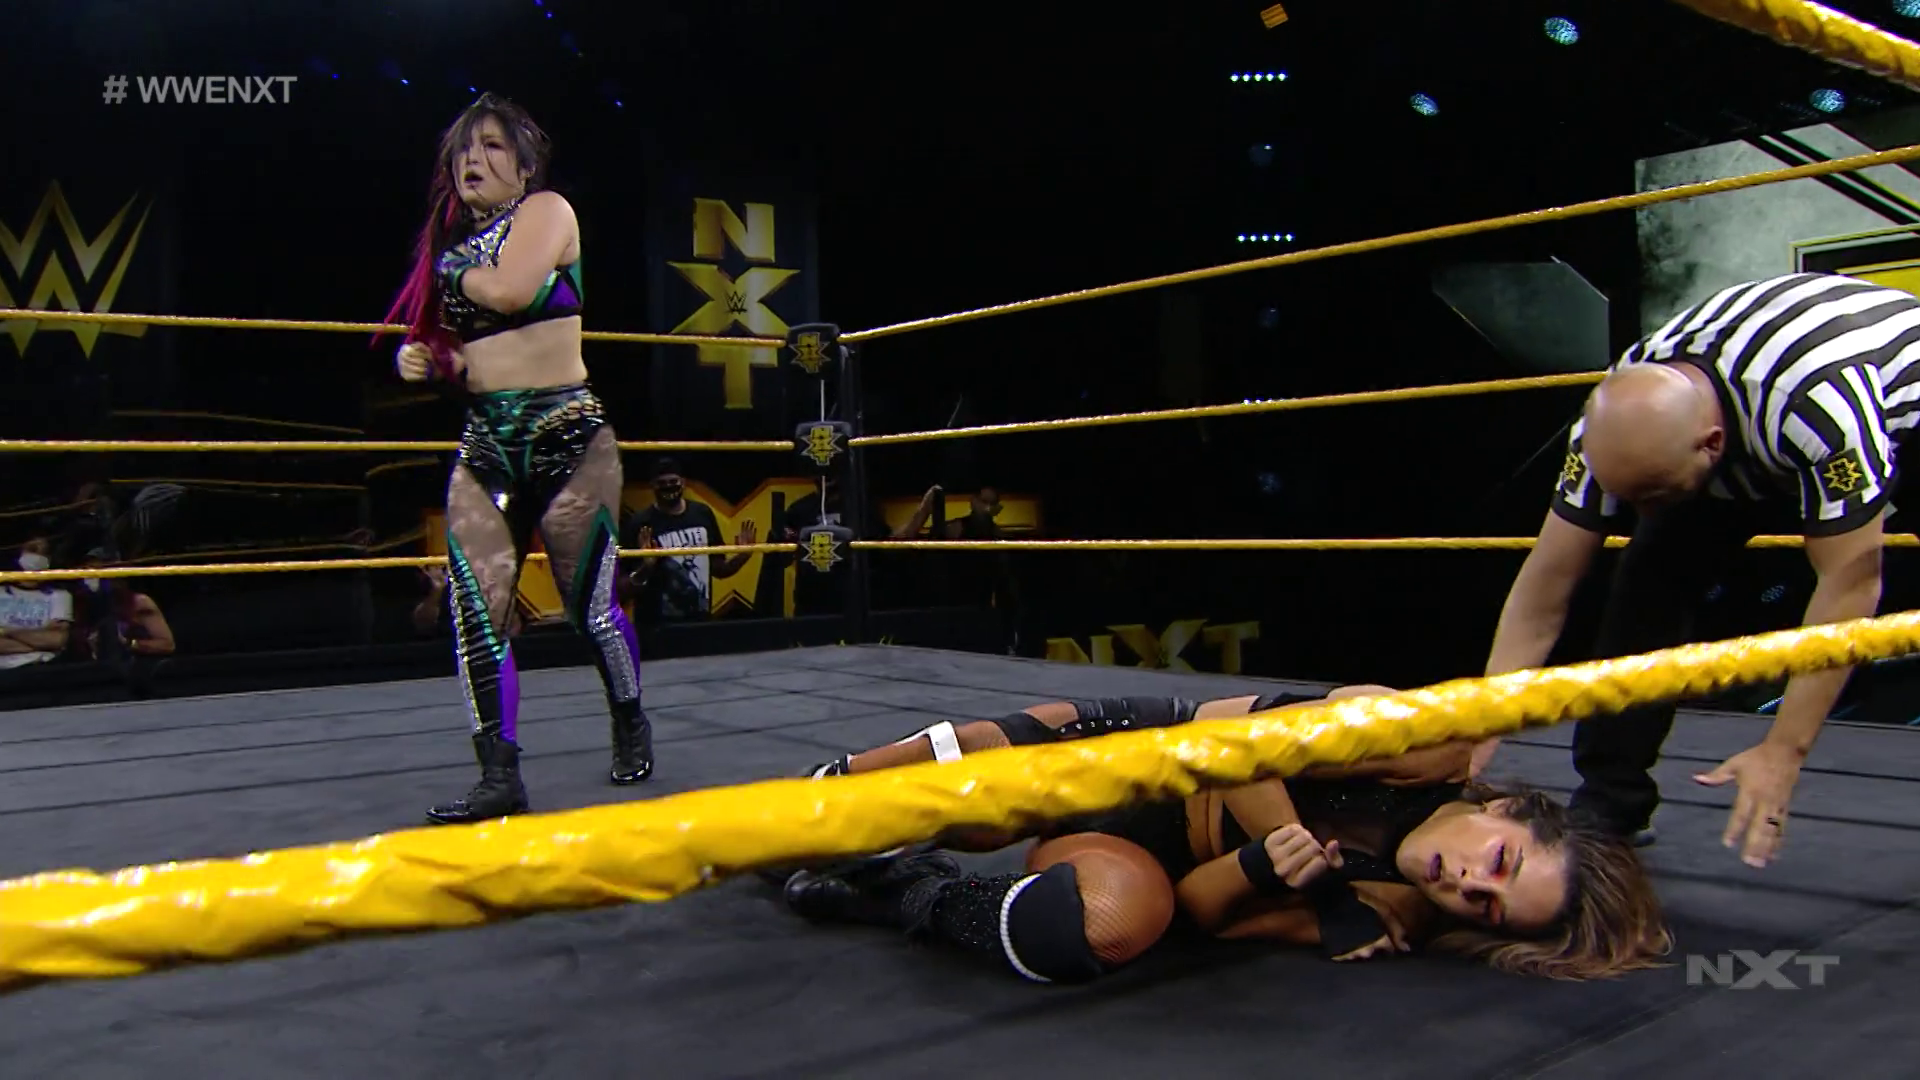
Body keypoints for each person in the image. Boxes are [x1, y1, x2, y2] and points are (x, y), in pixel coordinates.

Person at [776, 688, 1670, 983]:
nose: (1469, 882)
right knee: (935, 807)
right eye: (1500, 863)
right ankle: (829, 800)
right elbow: (1221, 739)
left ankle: (902, 890)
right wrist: (1302, 855)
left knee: (1109, 929)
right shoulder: (1423, 741)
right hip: (1136, 752)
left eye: (1488, 907)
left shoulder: (1394, 910)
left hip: (1147, 851)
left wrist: (1261, 866)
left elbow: (1203, 913)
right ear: (1505, 810)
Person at [1480, 272, 1920, 868]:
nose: (1641, 510)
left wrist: (1782, 751)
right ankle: (1611, 799)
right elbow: (1547, 581)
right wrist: (1482, 719)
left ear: (1711, 446)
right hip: (1746, 423)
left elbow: (1851, 584)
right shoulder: (1607, 424)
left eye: (1654, 493)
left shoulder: (1818, 412)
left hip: (1894, 393)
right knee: (1646, 583)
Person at [383, 92, 650, 825]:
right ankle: (499, 775)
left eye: (493, 146)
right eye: (464, 151)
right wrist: (427, 361)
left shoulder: (546, 212)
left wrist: (449, 273)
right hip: (487, 440)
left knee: (589, 610)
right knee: (477, 611)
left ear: (527, 165)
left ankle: (629, 718)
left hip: (569, 436)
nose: (474, 160)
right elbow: (465, 355)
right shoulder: (457, 248)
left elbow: (510, 291)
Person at [621, 458, 756, 623]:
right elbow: (623, 588)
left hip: (699, 622)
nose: (668, 487)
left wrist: (743, 556)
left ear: (683, 482)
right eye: (662, 483)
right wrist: (646, 567)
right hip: (656, 627)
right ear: (652, 485)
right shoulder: (640, 524)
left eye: (673, 481)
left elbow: (718, 568)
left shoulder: (702, 514)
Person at [0, 536, 73, 671]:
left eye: (43, 552)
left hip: (41, 668)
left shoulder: (60, 596)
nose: (37, 557)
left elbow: (56, 640)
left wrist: (5, 631)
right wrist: (38, 642)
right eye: (33, 550)